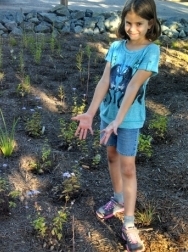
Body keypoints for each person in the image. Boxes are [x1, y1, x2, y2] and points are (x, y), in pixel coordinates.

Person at [72, 0, 161, 251]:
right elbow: (104, 81)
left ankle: (129, 224)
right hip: (108, 115)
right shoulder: (115, 47)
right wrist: (90, 113)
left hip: (128, 120)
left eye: (139, 24)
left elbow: (133, 86)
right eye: (128, 22)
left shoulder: (150, 51)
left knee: (128, 167)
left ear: (150, 23)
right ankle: (118, 199)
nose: (132, 28)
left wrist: (118, 122)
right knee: (111, 157)